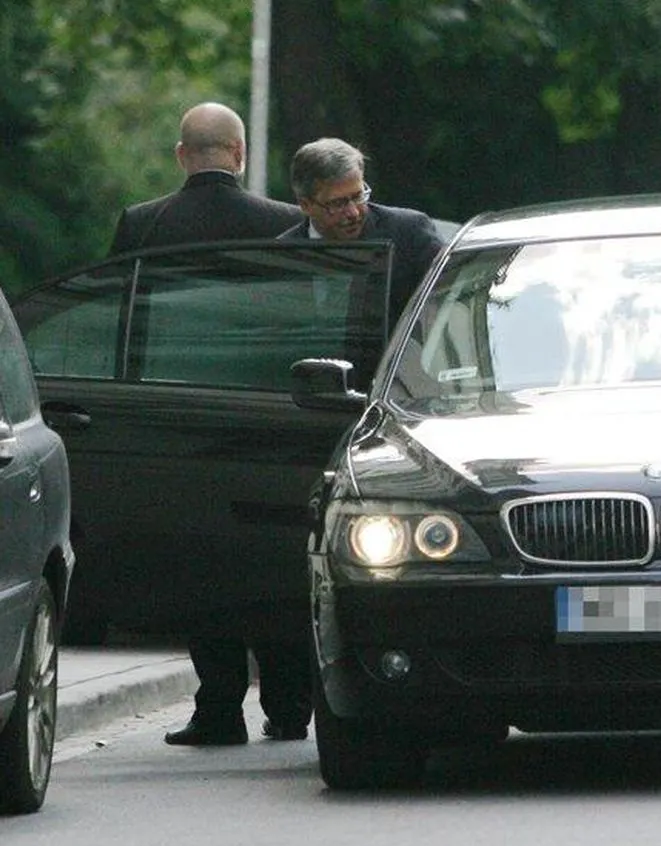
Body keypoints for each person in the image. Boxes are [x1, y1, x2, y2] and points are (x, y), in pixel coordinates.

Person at [108, 102, 312, 748]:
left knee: (203, 562)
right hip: (273, 422)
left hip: (180, 424)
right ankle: (288, 704)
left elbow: (118, 320)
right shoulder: (285, 224)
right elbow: (310, 320)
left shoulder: (143, 226)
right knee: (275, 560)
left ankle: (220, 708)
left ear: (180, 156)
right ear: (240, 153)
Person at [278, 137, 444, 320]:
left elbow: (449, 302)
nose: (353, 212)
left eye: (358, 196)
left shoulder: (409, 234)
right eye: (338, 203)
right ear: (305, 205)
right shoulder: (282, 256)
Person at [109, 101, 303, 255]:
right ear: (239, 153)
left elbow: (112, 293)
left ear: (181, 154)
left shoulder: (138, 223)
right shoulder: (289, 222)